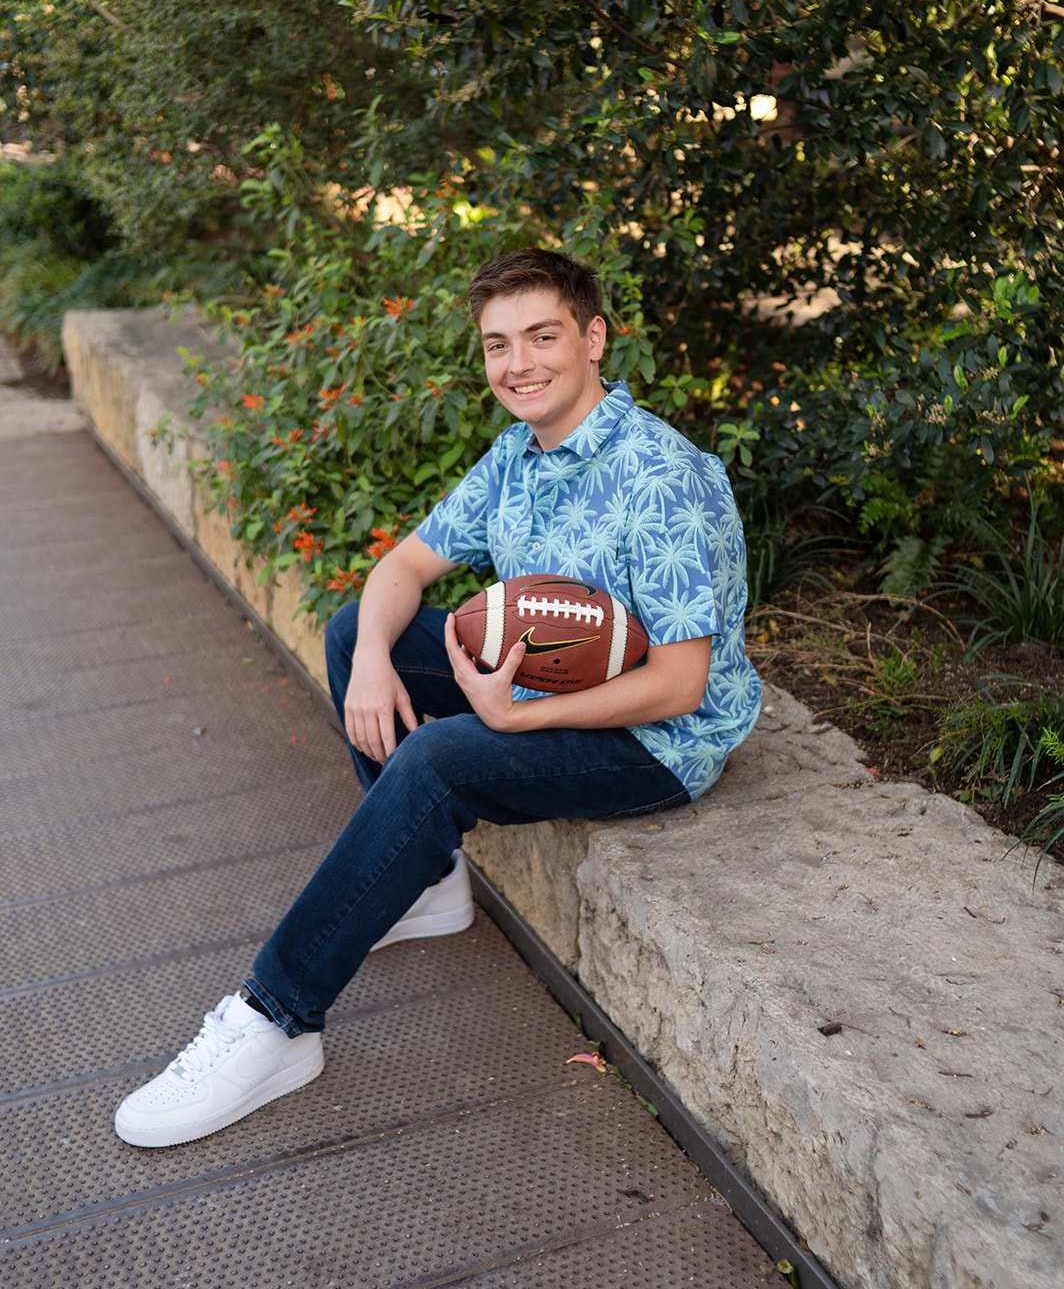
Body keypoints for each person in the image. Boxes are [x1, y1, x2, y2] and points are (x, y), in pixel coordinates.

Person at [114, 248, 762, 1148]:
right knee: (354, 631)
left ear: (594, 339)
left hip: (659, 739)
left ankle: (275, 1021)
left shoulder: (663, 479)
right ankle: (431, 884)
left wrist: (515, 717)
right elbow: (407, 565)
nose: (519, 364)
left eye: (543, 337)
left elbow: (681, 682)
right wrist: (375, 657)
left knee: (439, 762)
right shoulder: (520, 453)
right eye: (499, 345)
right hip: (557, 679)